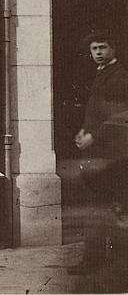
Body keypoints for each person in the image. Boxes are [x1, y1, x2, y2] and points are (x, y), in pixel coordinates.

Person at [69, 31, 128, 275]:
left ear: (113, 48)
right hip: (99, 150)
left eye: (103, 47)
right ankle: (99, 259)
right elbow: (97, 112)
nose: (99, 52)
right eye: (94, 48)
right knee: (100, 205)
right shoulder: (102, 74)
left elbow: (120, 116)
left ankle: (99, 261)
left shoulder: (119, 77)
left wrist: (94, 136)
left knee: (103, 205)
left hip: (111, 153)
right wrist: (84, 131)